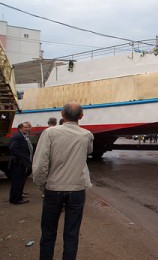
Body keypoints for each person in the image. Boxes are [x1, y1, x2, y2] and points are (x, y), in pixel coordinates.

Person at [32, 102, 94, 259]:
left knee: (48, 232)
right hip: (77, 190)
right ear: (81, 116)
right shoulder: (87, 135)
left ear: (62, 114)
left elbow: (41, 164)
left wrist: (41, 184)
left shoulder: (50, 133)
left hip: (53, 189)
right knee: (72, 233)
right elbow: (89, 151)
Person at [8, 122, 33, 204]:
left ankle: (15, 197)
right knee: (17, 181)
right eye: (25, 127)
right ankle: (16, 199)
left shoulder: (22, 136)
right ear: (20, 128)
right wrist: (21, 158)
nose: (27, 129)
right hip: (18, 163)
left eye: (28, 127)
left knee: (19, 181)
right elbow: (13, 148)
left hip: (20, 162)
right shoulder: (18, 136)